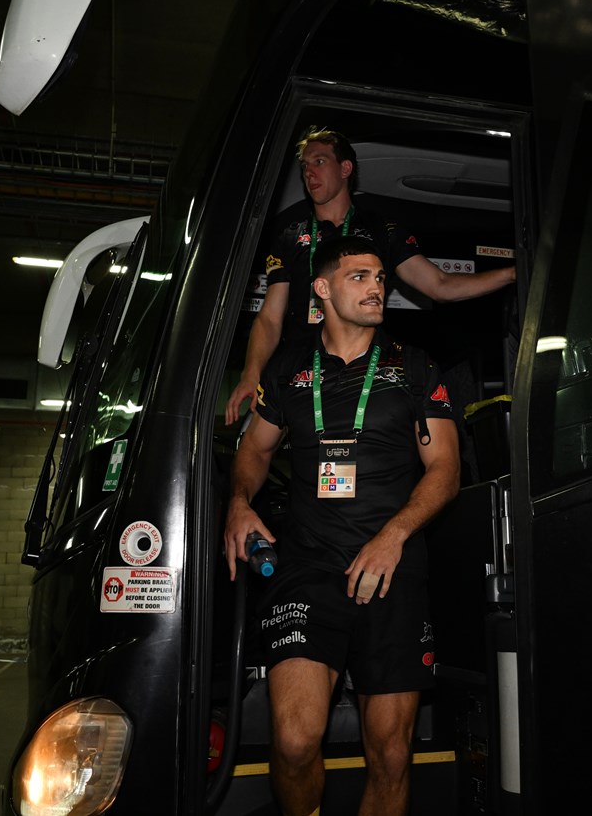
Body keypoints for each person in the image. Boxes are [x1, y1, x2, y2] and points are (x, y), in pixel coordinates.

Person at [224, 235, 460, 816]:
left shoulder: (414, 366)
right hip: (308, 567)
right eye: (360, 277)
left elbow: (446, 470)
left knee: (392, 757)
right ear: (322, 289)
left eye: (380, 277)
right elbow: (255, 451)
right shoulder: (288, 369)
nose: (376, 287)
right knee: (294, 742)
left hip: (391, 570)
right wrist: (239, 502)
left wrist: (393, 536)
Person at [224, 126, 516, 425]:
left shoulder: (381, 230)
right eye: (305, 166)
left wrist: (512, 273)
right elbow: (270, 317)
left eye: (319, 161)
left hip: (364, 371)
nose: (309, 172)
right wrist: (251, 374)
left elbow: (441, 286)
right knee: (256, 442)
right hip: (300, 371)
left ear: (345, 168)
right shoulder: (291, 236)